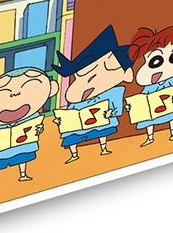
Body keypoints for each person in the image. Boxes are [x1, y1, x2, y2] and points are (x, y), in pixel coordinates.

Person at [52, 25, 134, 163]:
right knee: (71, 136)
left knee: (103, 130)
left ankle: (103, 148)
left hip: (100, 123)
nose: (89, 80)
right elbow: (70, 113)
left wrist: (110, 113)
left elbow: (116, 108)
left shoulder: (112, 93)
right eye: (81, 75)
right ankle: (74, 154)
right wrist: (61, 121)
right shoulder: (77, 101)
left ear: (126, 75)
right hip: (78, 127)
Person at [0, 68, 57, 194]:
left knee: (22, 158)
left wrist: (38, 129)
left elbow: (36, 128)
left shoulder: (32, 118)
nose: (15, 95)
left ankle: (23, 174)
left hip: (21, 146)